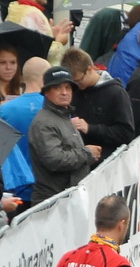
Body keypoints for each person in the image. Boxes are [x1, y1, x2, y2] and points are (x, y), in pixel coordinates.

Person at [29, 68, 100, 204]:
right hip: (53, 202)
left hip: (68, 198)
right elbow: (54, 160)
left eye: (68, 88)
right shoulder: (43, 122)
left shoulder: (64, 117)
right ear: (46, 92)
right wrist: (87, 154)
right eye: (57, 88)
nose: (64, 92)